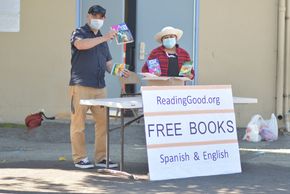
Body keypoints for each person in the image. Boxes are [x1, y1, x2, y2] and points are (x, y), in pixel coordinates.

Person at [69, 5, 129, 169]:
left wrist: (119, 71)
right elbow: (81, 45)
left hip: (99, 87)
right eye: (95, 15)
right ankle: (80, 158)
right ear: (88, 17)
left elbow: (108, 65)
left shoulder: (104, 41)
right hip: (80, 84)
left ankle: (101, 158)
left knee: (103, 123)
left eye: (101, 16)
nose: (98, 19)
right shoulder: (79, 32)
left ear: (104, 19)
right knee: (78, 124)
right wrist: (104, 38)